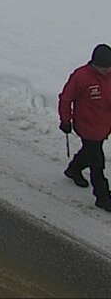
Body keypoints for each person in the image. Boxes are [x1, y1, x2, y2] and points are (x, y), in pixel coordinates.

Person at [59, 43, 111, 211]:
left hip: (104, 125)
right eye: (104, 68)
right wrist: (66, 120)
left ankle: (74, 169)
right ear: (94, 64)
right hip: (87, 127)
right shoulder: (80, 77)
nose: (107, 71)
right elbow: (66, 99)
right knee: (98, 163)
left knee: (90, 153)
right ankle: (102, 197)